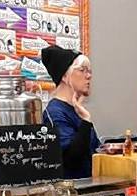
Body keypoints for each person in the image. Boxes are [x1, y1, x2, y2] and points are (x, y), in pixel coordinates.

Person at [41, 45, 100, 179]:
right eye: (82, 70)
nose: (89, 76)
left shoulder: (76, 109)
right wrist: (85, 120)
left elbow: (94, 149)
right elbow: (71, 159)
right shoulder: (55, 112)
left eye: (89, 71)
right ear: (64, 75)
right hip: (71, 191)